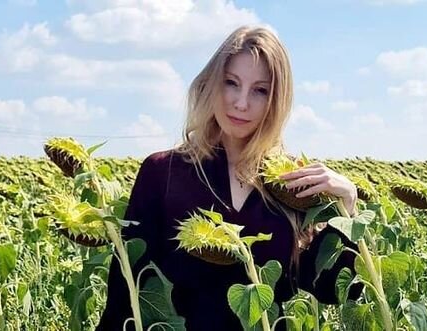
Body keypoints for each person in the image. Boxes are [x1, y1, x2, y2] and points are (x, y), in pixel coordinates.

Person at [97, 25, 361, 331]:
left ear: (276, 100)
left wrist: (347, 209)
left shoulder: (289, 182)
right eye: (232, 83)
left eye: (260, 90)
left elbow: (332, 288)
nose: (241, 103)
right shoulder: (163, 173)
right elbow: (123, 296)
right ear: (212, 84)